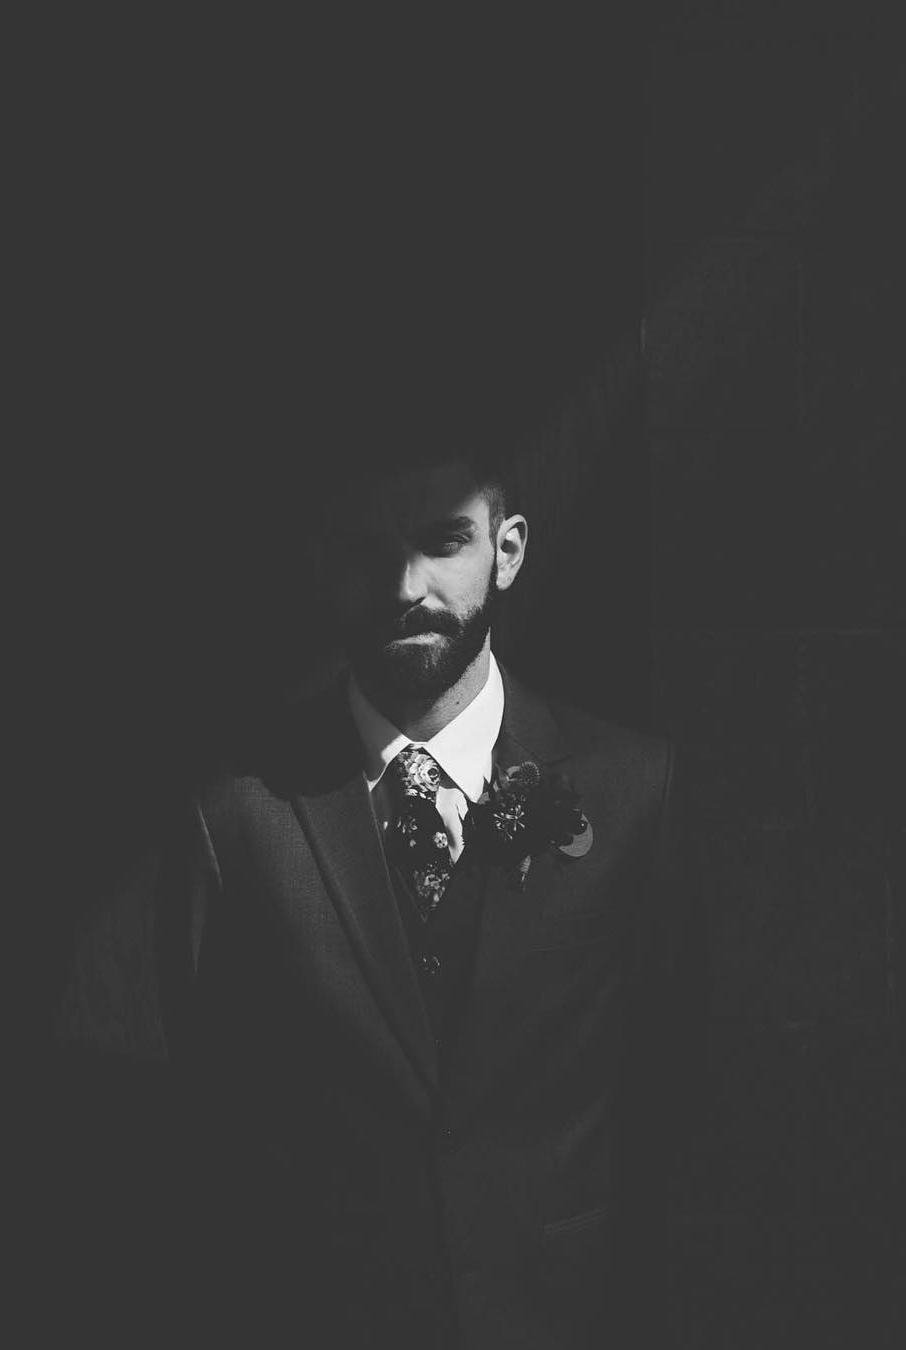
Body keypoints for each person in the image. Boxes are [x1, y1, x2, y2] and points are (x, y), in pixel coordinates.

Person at [48, 438, 703, 1349]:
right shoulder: (235, 809)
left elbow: (674, 1083)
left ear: (506, 550)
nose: (405, 588)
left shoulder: (632, 787)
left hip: (567, 1313)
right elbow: (175, 1114)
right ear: (324, 564)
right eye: (369, 550)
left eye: (442, 542)